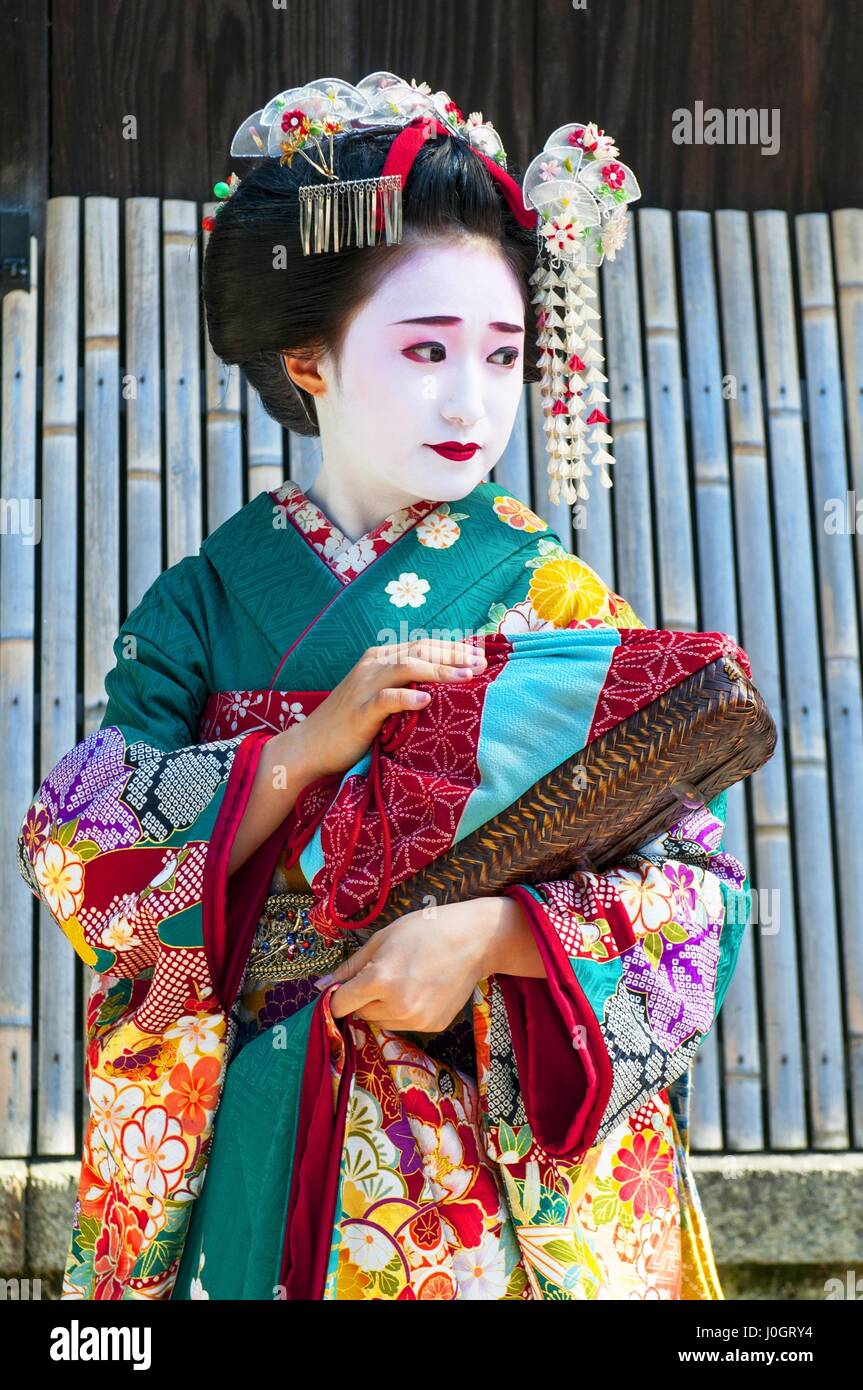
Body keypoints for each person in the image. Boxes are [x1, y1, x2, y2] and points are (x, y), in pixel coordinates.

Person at [16, 74, 751, 1300]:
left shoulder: (555, 596)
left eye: (503, 354)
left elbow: (698, 893)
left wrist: (500, 935)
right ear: (305, 355)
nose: (471, 397)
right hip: (254, 1130)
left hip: (485, 1174)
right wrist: (302, 748)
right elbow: (77, 855)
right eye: (424, 350)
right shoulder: (202, 602)